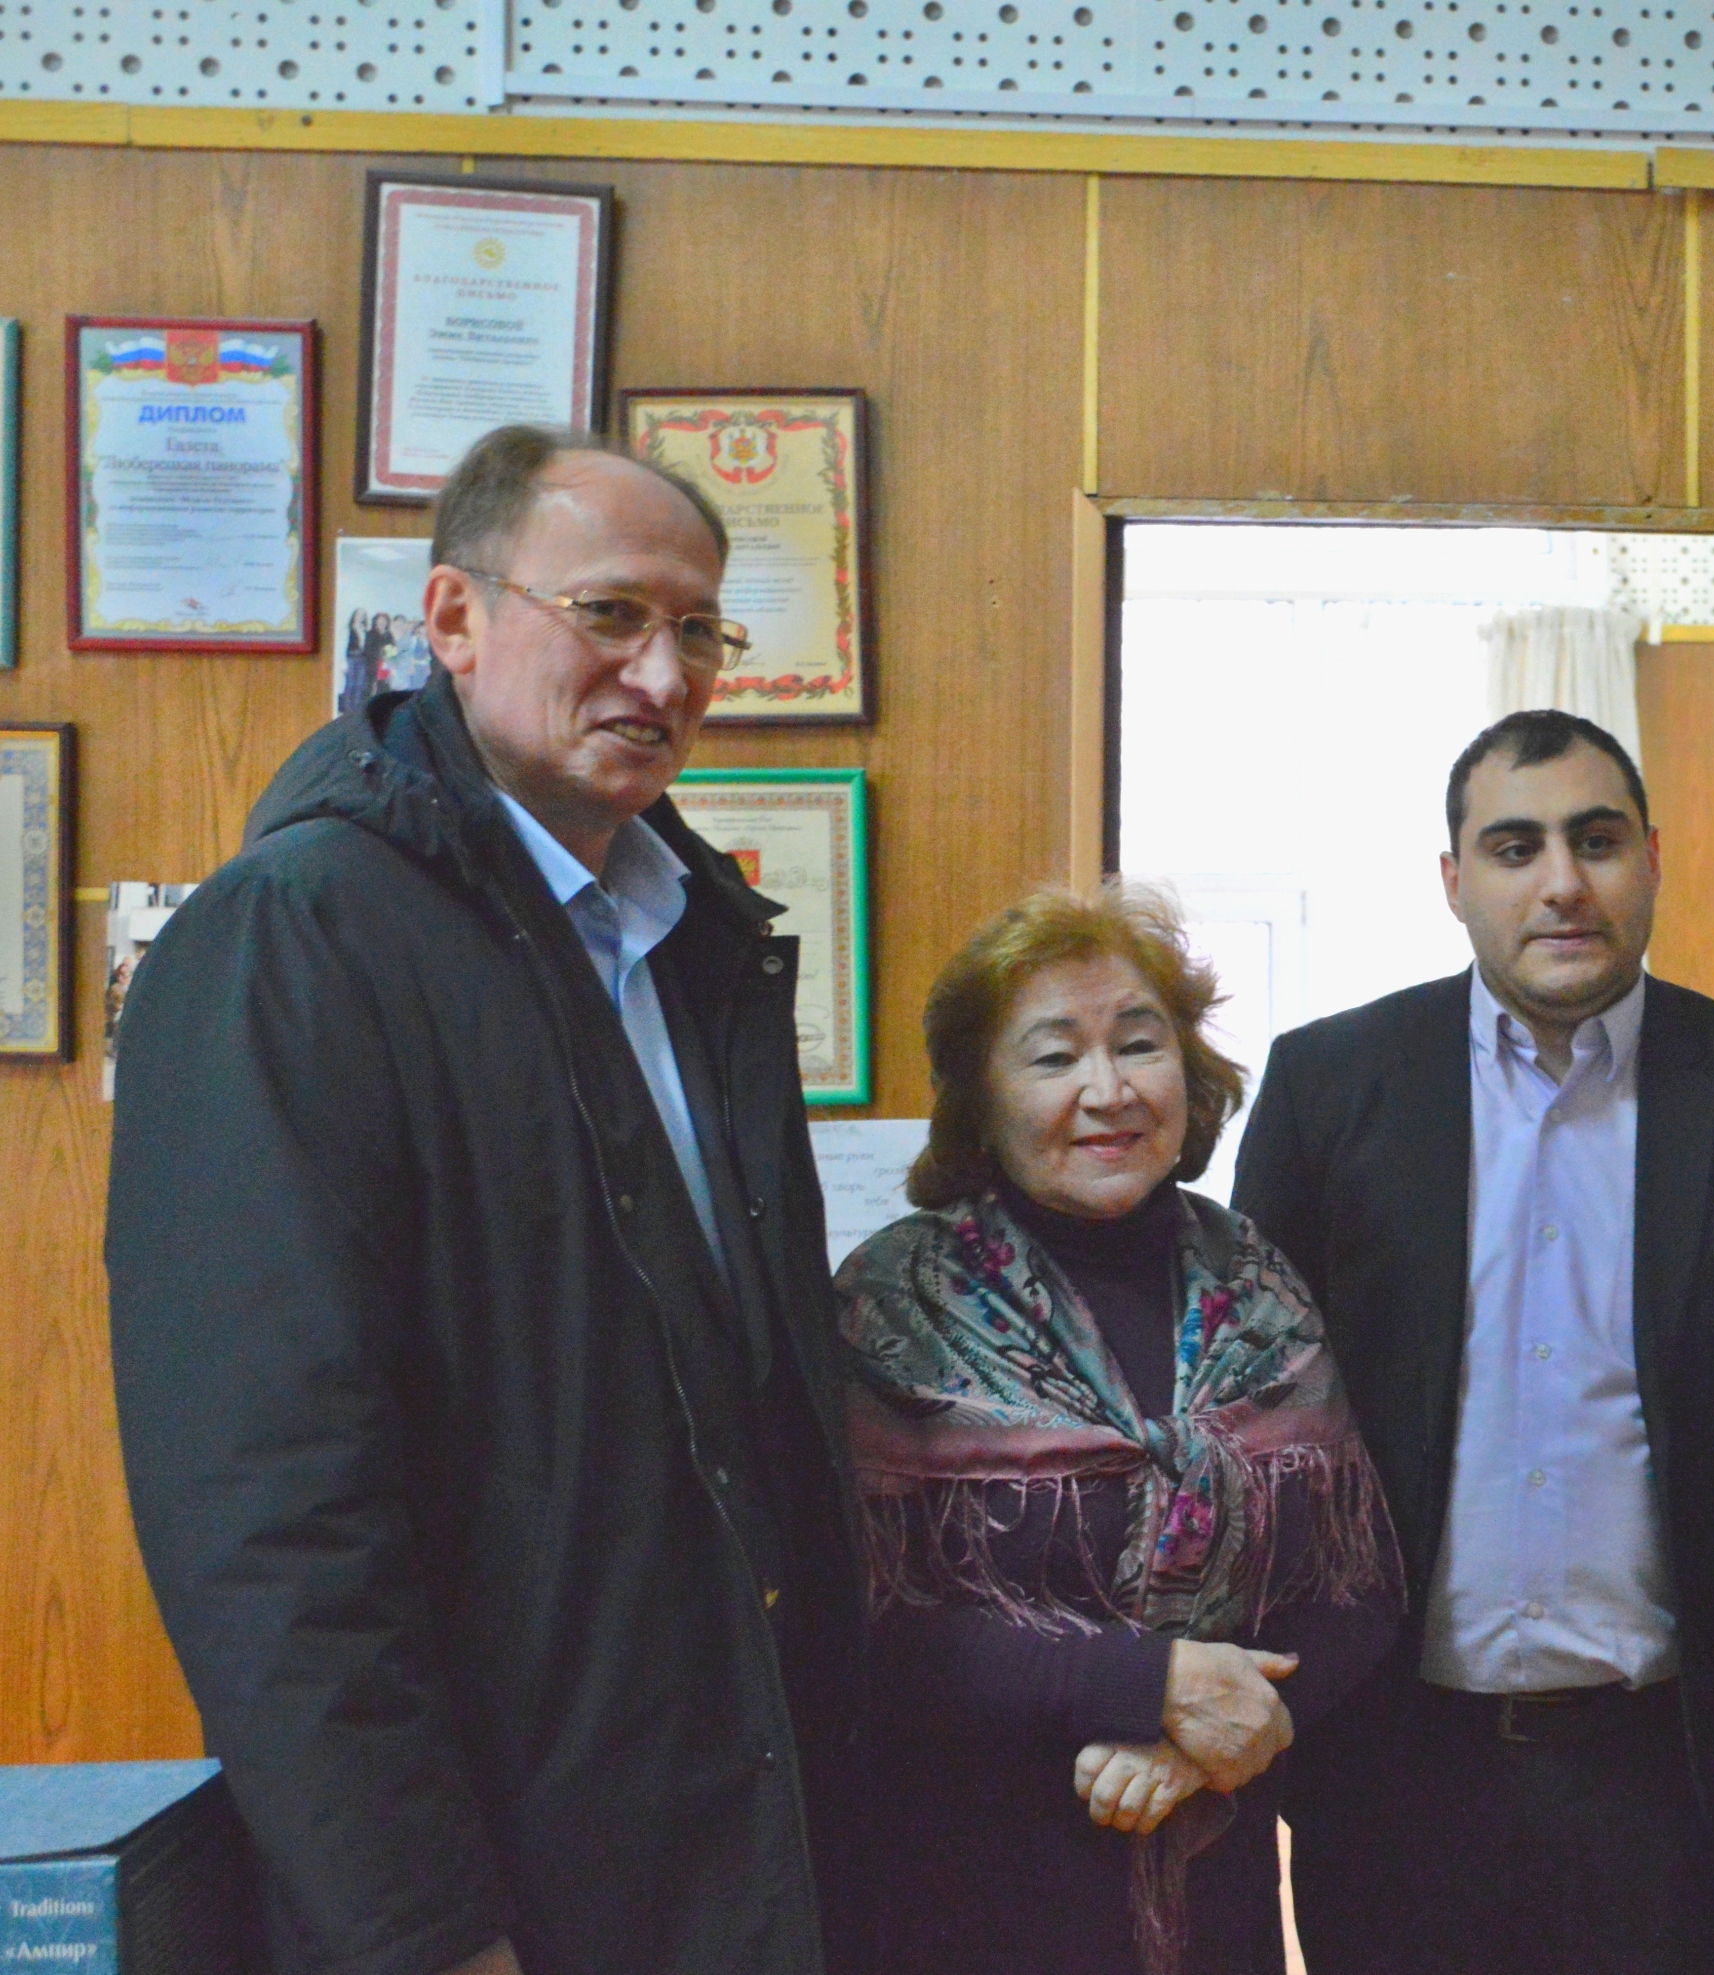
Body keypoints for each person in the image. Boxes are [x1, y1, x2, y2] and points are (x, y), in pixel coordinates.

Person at [107, 424, 863, 1975]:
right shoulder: (293, 938)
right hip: (492, 1888)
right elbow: (267, 1511)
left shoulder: (695, 943)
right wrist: (420, 1929)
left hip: (721, 1850)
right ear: (452, 617)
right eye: (611, 612)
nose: (662, 673)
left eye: (699, 630)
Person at [1233, 708, 1714, 1975]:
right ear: (1453, 879)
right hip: (1391, 1767)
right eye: (1515, 848)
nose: (1562, 882)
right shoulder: (1329, 1083)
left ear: (1654, 858)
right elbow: (1248, 1423)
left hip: (1661, 1778)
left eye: (1597, 840)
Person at [835, 881, 1400, 1975]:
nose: (1109, 1090)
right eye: (1054, 1057)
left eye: (1139, 1044)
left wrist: (1209, 1742)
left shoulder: (1257, 1281)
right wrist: (1145, 1686)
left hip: (1214, 1893)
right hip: (966, 1898)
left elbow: (1360, 1585)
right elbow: (856, 1623)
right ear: (981, 1098)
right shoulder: (893, 1302)